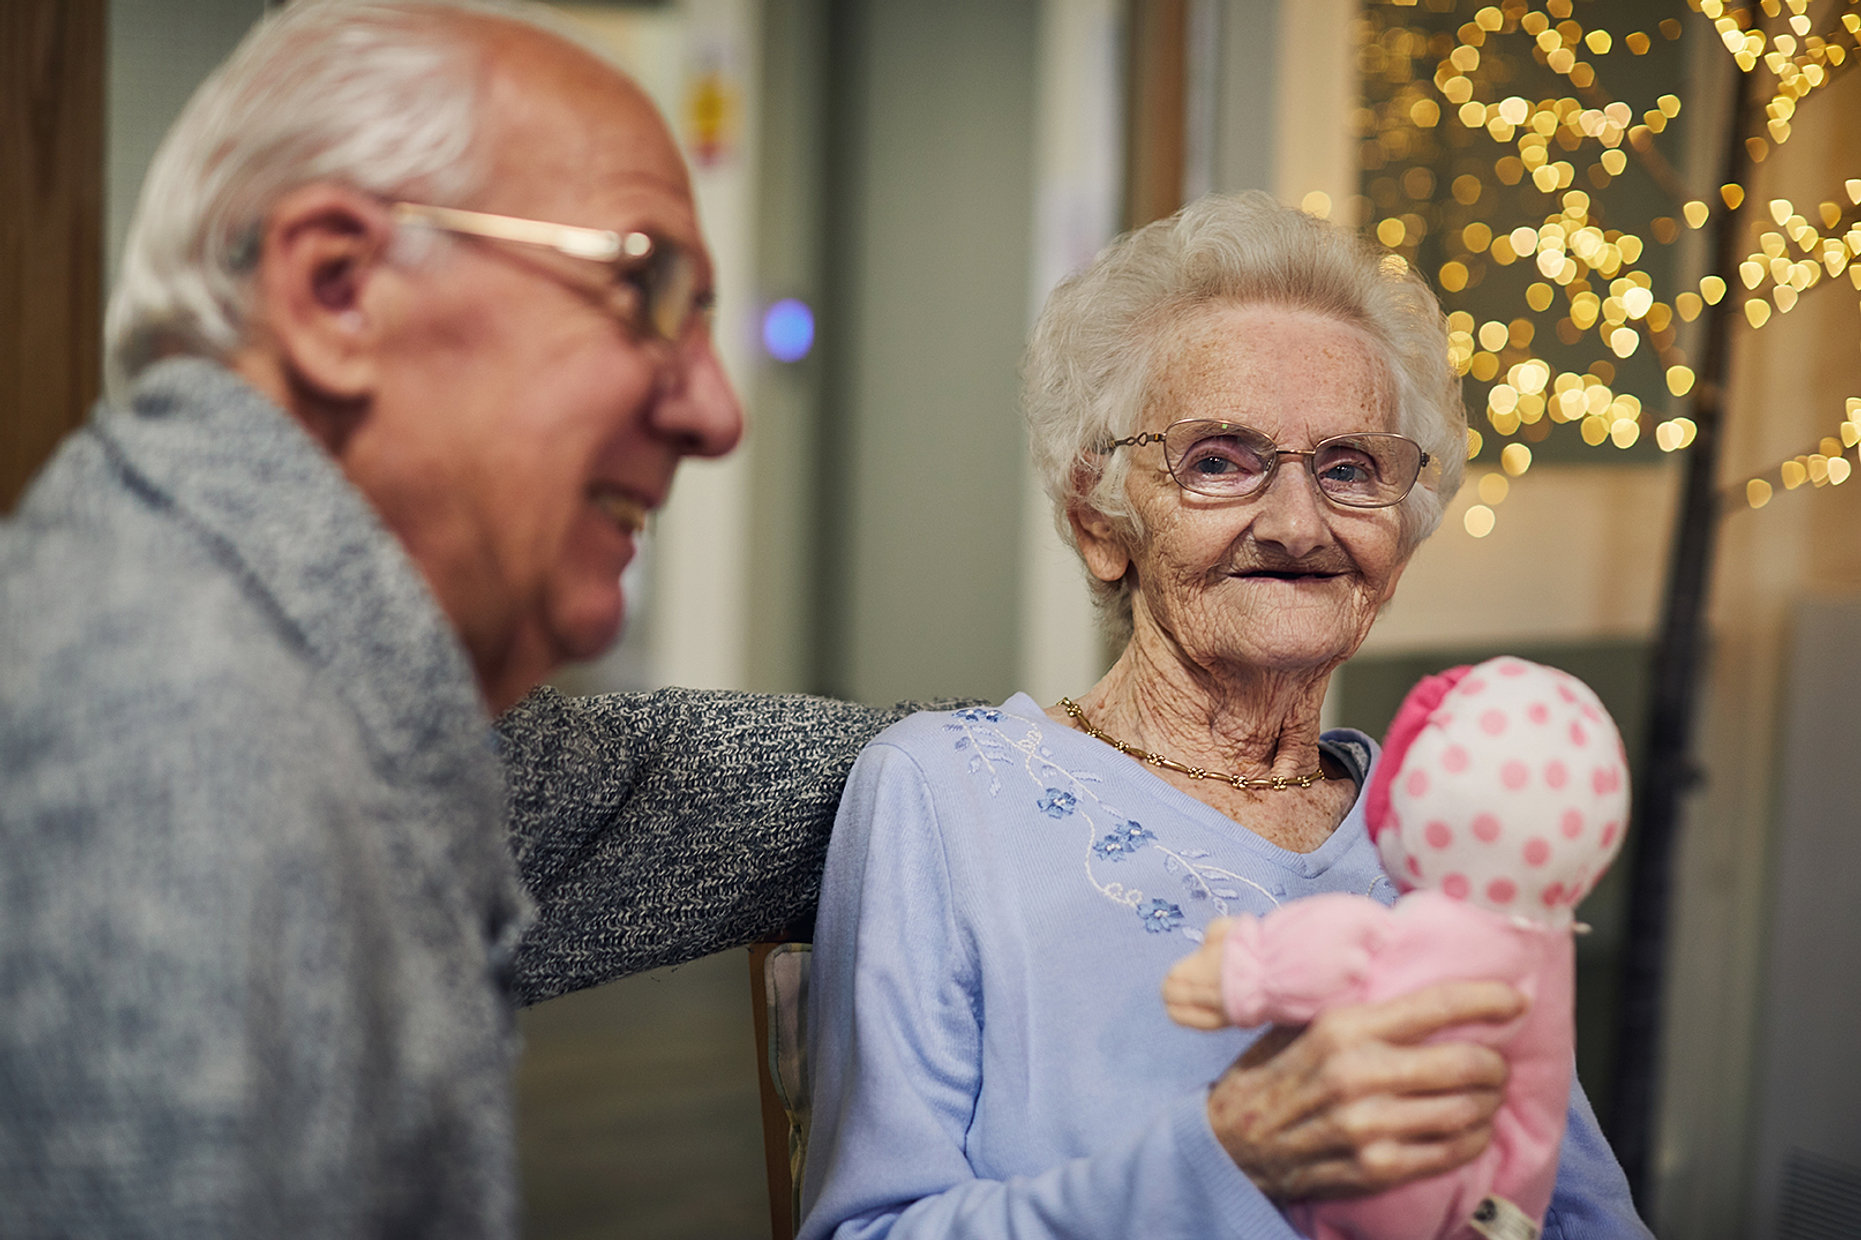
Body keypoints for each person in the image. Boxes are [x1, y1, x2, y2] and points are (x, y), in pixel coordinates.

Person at [0, 1, 904, 1233]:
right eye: (647, 285)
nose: (718, 411)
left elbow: (634, 790)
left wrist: (1048, 744)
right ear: (338, 289)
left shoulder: (289, 665)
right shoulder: (176, 755)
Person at [798, 193, 1652, 1239]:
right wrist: (1225, 1154)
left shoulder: (1456, 818)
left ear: (1403, 528)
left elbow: (1581, 1214)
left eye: (1349, 468)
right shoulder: (941, 793)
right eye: (1219, 460)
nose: (1296, 523)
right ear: (1099, 520)